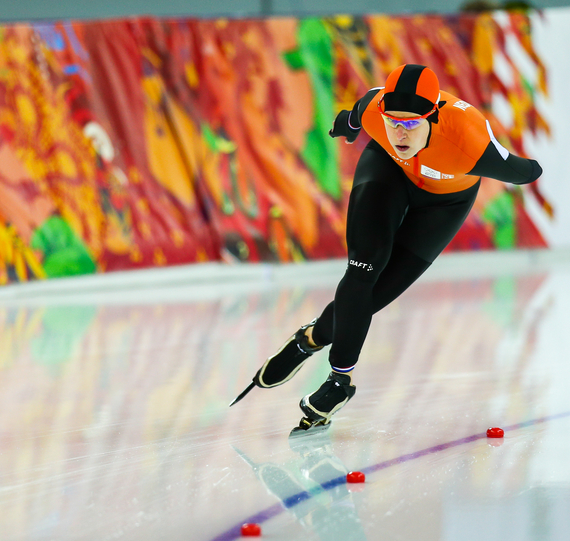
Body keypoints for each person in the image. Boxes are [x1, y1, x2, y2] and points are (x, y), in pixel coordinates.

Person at [231, 64, 543, 430]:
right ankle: (338, 382)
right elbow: (354, 116)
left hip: (444, 204)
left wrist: (527, 167)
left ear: (434, 116)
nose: (400, 131)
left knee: (375, 296)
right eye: (394, 121)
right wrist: (345, 126)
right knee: (363, 269)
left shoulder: (471, 143)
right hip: (389, 173)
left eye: (411, 124)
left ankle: (308, 339)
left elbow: (528, 171)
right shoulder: (374, 112)